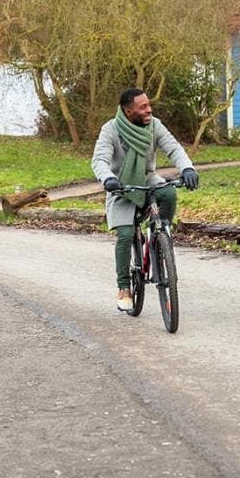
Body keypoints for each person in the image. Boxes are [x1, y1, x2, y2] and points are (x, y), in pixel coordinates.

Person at [91, 88, 199, 312]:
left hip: (148, 178)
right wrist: (108, 178)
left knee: (168, 192)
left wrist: (187, 168)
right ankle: (123, 288)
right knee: (126, 233)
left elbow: (173, 147)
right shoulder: (110, 129)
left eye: (148, 105)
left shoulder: (154, 125)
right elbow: (99, 160)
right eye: (143, 107)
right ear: (128, 111)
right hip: (120, 185)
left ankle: (161, 235)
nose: (149, 109)